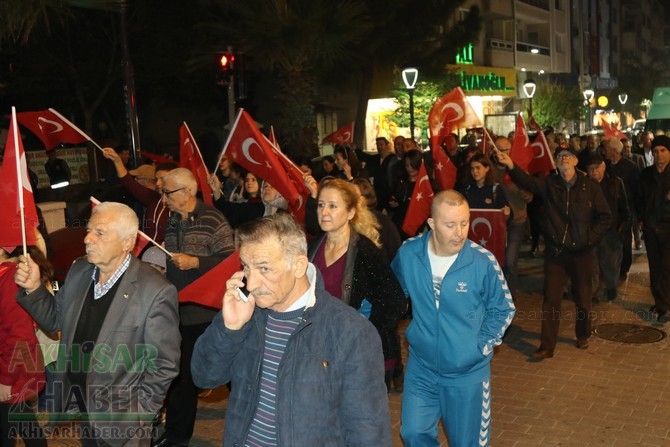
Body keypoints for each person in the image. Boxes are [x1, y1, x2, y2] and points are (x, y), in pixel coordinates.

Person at [191, 213, 392, 446]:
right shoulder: (246, 311)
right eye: (246, 267)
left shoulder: (350, 332)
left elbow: (368, 430)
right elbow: (204, 377)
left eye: (264, 269)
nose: (252, 283)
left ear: (298, 266)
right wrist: (230, 329)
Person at [14, 202, 181, 447]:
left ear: (126, 242)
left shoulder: (155, 291)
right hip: (84, 409)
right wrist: (34, 289)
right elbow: (54, 319)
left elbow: (164, 364)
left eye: (100, 233)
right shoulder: (80, 270)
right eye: (89, 231)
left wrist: (140, 416)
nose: (88, 239)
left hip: (124, 422)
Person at [390, 190, 515, 447]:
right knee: (413, 433)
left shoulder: (482, 262)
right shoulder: (409, 254)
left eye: (464, 222)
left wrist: (479, 347)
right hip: (421, 367)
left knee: (465, 443)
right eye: (450, 225)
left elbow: (503, 308)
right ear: (432, 224)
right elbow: (391, 295)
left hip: (465, 373)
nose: (459, 232)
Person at [494, 147, 612, 359]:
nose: (563, 158)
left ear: (576, 161)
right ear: (556, 163)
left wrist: (589, 238)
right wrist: (510, 164)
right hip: (556, 252)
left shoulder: (590, 187)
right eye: (559, 156)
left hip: (582, 252)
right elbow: (527, 181)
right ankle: (547, 345)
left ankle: (583, 334)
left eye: (568, 155)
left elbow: (605, 217)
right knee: (551, 298)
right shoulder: (550, 185)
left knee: (583, 297)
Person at [157, 168, 235, 447]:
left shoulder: (213, 219)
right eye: (162, 192)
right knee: (180, 377)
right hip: (179, 312)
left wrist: (196, 263)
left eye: (167, 192)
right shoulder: (171, 222)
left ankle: (249, 426)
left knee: (231, 374)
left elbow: (231, 261)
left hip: (209, 314)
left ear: (187, 192)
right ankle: (177, 438)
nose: (163, 198)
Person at [307, 179, 407, 392]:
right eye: (321, 204)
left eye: (333, 206)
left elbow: (395, 302)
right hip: (323, 352)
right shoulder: (314, 247)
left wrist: (361, 330)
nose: (324, 211)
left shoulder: (365, 251)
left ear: (351, 212)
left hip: (361, 357)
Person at [1, 247, 47, 447]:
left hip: (12, 370)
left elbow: (21, 337)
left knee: (9, 427)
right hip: (10, 368)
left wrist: (5, 380)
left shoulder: (10, 277)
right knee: (22, 422)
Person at [102, 147, 178, 244]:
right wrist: (117, 160)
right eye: (157, 179)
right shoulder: (153, 198)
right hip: (150, 255)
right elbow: (129, 183)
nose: (158, 183)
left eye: (162, 179)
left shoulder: (183, 206)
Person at [635, 135, 670, 322]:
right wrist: (641, 218)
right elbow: (638, 199)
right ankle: (661, 303)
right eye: (656, 151)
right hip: (651, 229)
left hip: (668, 228)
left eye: (663, 150)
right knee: (656, 268)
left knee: (668, 267)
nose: (659, 155)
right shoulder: (646, 175)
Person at [493, 137, 533, 298]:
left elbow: (530, 197)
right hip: (496, 223)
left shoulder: (519, 170)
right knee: (496, 260)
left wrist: (517, 188)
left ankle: (510, 295)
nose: (501, 153)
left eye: (505, 150)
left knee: (510, 260)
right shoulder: (490, 170)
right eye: (498, 150)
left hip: (516, 221)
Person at [586, 153, 629, 301]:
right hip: (591, 231)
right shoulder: (584, 185)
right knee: (593, 265)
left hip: (611, 231)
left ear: (603, 167)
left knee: (610, 263)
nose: (594, 172)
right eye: (590, 169)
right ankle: (596, 292)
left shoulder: (615, 183)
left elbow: (624, 207)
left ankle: (611, 286)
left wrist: (622, 229)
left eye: (597, 168)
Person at [602, 137, 640, 278]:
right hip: (606, 210)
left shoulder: (631, 168)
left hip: (625, 210)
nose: (603, 151)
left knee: (624, 239)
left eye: (606, 149)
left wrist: (636, 214)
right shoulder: (603, 166)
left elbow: (637, 191)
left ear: (614, 151)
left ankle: (624, 268)